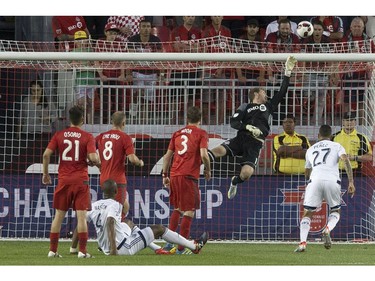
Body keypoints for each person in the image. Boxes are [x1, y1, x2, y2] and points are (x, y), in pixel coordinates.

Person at [208, 56, 297, 199]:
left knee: (246, 174)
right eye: (263, 91)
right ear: (256, 94)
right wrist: (248, 127)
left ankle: (235, 181)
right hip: (241, 137)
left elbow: (281, 93)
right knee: (217, 150)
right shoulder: (245, 107)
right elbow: (234, 123)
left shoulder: (268, 106)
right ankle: (192, 164)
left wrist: (287, 72)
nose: (266, 94)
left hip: (256, 143)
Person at [80, 179, 208, 256]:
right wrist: (114, 250)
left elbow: (81, 224)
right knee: (159, 229)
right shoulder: (115, 205)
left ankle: (157, 249)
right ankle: (194, 246)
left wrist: (78, 248)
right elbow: (110, 222)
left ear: (103, 192)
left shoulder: (94, 205)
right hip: (123, 248)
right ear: (115, 192)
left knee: (127, 223)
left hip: (106, 247)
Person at [42, 105, 100, 258]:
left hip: (64, 180)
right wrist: (96, 162)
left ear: (69, 119)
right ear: (83, 119)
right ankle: (82, 251)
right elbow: (93, 158)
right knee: (81, 217)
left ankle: (52, 251)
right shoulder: (88, 137)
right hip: (80, 180)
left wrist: (45, 174)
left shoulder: (59, 135)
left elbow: (46, 155)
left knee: (58, 216)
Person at [294, 124, 355, 252]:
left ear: (318, 136)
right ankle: (327, 229)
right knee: (335, 211)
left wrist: (311, 178)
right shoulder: (337, 145)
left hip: (315, 181)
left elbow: (306, 171)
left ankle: (302, 244)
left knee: (307, 213)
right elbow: (345, 160)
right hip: (332, 181)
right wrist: (351, 182)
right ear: (331, 136)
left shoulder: (311, 149)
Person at [161, 106, 211, 254]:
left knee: (177, 208)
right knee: (189, 211)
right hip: (188, 176)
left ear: (187, 119)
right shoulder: (201, 133)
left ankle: (169, 244)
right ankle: (181, 248)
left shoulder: (178, 133)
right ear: (200, 119)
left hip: (175, 174)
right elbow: (204, 155)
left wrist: (165, 175)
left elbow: (167, 156)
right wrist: (207, 169)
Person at [126, 18, 163, 124]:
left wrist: (162, 74)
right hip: (137, 72)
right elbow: (128, 58)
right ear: (139, 28)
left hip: (152, 74)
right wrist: (128, 73)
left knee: (148, 99)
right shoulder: (133, 40)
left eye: (148, 27)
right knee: (136, 96)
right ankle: (133, 118)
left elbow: (160, 58)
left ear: (151, 28)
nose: (146, 29)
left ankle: (144, 120)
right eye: (144, 26)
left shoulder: (156, 40)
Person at [169, 16, 202, 124]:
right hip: (178, 70)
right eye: (188, 15)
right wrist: (192, 48)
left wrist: (184, 46)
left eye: (193, 15)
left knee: (191, 98)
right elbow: (175, 48)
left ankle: (190, 122)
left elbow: (200, 49)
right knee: (175, 98)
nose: (191, 18)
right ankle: (173, 122)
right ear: (183, 17)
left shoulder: (198, 32)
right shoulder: (175, 31)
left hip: (193, 70)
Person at [201, 16, 232, 125]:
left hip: (221, 71)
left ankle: (220, 124)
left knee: (221, 99)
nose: (217, 17)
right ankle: (206, 124)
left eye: (219, 15)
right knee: (206, 100)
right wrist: (207, 68)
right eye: (215, 15)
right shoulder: (206, 31)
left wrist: (221, 67)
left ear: (222, 17)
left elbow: (228, 52)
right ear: (211, 17)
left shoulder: (226, 31)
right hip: (208, 70)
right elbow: (204, 51)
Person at [95, 22, 126, 123]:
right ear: (105, 33)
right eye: (111, 33)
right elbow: (96, 60)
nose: (113, 36)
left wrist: (122, 74)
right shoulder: (100, 42)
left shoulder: (120, 43)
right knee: (104, 103)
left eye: (114, 33)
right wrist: (101, 75)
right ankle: (104, 123)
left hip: (116, 77)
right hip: (105, 77)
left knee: (117, 102)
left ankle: (117, 123)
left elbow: (123, 60)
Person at [72, 30, 97, 124]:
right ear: (75, 41)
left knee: (91, 104)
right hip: (80, 82)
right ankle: (81, 123)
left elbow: (96, 65)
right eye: (78, 40)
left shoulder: (91, 50)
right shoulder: (72, 52)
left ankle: (90, 124)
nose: (81, 42)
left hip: (91, 81)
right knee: (81, 104)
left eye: (83, 39)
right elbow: (69, 65)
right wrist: (87, 66)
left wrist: (82, 66)